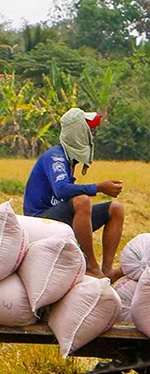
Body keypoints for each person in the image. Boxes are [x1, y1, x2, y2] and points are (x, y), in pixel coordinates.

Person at [23, 108, 125, 280]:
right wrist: (98, 187)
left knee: (116, 208)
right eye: (88, 131)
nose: (91, 137)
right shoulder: (55, 157)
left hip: (58, 217)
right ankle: (92, 268)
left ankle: (106, 269)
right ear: (78, 134)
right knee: (82, 201)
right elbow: (61, 190)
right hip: (40, 220)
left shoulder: (69, 161)